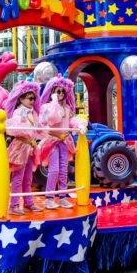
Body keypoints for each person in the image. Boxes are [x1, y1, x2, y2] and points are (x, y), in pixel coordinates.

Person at [39, 74, 87, 209]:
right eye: (57, 91)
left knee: (64, 169)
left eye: (63, 91)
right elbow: (49, 120)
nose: (60, 94)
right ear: (52, 92)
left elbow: (72, 120)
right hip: (52, 141)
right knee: (54, 169)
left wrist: (80, 125)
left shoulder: (67, 108)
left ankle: (62, 197)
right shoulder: (47, 107)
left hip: (65, 141)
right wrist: (54, 103)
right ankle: (49, 198)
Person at [4, 77, 45, 215]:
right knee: (18, 177)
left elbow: (39, 128)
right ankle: (14, 205)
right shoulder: (18, 112)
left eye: (34, 98)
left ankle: (28, 202)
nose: (32, 101)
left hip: (30, 147)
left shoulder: (33, 113)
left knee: (28, 178)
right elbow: (14, 128)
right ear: (21, 99)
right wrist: (23, 124)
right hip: (20, 147)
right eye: (29, 98)